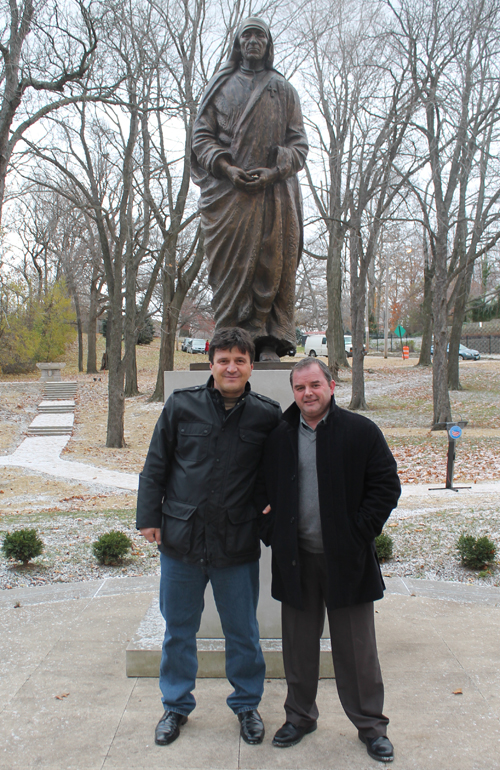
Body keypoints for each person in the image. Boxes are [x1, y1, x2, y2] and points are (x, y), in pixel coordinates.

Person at [136, 327, 281, 747]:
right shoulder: (182, 406)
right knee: (179, 629)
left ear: (251, 365)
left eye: (240, 359)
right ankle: (176, 706)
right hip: (181, 540)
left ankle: (247, 704)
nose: (231, 367)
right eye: (224, 360)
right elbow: (156, 464)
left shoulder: (266, 415)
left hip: (235, 543)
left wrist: (270, 510)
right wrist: (149, 517)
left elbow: (276, 474)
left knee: (242, 630)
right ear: (211, 363)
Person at [260, 357, 401, 762]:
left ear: (332, 386)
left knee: (357, 652)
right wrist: (270, 531)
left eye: (315, 385)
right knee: (298, 649)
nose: (308, 393)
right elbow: (257, 488)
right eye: (301, 387)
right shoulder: (279, 435)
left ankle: (371, 726)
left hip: (348, 562)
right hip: (295, 561)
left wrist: (358, 533)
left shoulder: (359, 431)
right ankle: (300, 717)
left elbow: (385, 485)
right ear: (294, 391)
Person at [191, 17, 308, 362]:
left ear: (268, 44)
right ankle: (231, 338)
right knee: (230, 266)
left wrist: (275, 171)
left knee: (270, 261)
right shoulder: (220, 87)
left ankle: (267, 338)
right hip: (229, 196)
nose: (253, 41)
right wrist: (226, 168)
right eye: (247, 35)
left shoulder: (282, 89)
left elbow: (299, 144)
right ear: (238, 43)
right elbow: (201, 136)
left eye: (260, 36)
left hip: (274, 194)